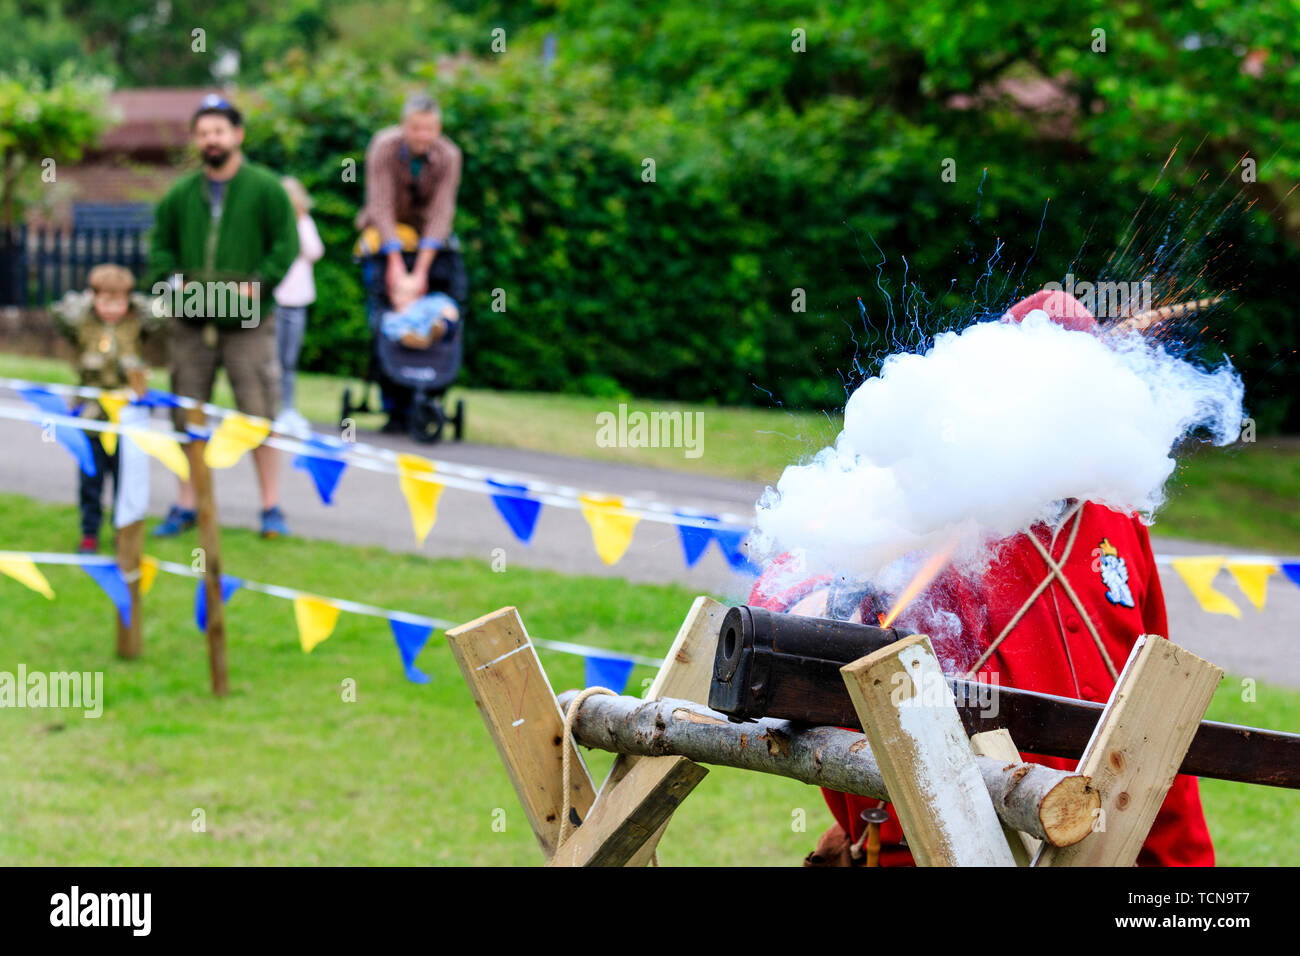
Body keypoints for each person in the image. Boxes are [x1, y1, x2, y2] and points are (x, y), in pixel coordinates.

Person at [754, 287, 1215, 867]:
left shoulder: (1120, 521)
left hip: (1105, 842)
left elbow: (1157, 710)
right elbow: (848, 676)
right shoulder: (928, 507)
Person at [147, 94, 299, 538]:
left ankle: (271, 508)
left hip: (248, 324)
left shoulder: (266, 189)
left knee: (258, 415)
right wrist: (175, 284)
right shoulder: (179, 194)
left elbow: (285, 247)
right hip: (190, 324)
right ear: (196, 140)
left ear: (237, 135)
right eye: (203, 132)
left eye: (219, 130)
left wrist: (254, 286)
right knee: (186, 414)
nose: (211, 139)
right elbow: (159, 247)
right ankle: (186, 505)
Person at [354, 93, 465, 432]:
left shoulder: (449, 156)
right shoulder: (384, 147)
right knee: (384, 309)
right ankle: (393, 401)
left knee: (445, 297)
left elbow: (442, 211)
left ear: (438, 128)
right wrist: (395, 263)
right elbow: (381, 203)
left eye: (429, 129)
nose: (422, 136)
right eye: (416, 128)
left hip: (429, 243)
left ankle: (428, 390)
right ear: (404, 126)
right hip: (385, 237)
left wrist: (420, 270)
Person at [51, 264, 160, 553]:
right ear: (94, 298)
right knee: (91, 480)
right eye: (105, 300)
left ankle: (122, 533)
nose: (112, 308)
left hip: (126, 418)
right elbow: (59, 313)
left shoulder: (136, 323)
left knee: (125, 480)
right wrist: (87, 300)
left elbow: (161, 314)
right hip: (91, 419)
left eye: (119, 301)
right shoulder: (83, 323)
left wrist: (136, 301)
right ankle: (89, 533)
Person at [271, 176, 324, 438]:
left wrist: (299, 225)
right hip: (275, 302)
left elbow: (314, 251)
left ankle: (288, 408)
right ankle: (272, 408)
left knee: (289, 361)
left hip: (297, 303)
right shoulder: (273, 227)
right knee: (273, 359)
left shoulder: (304, 224)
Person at [380, 285, 460, 349]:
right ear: (392, 295)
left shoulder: (423, 304)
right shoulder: (391, 316)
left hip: (431, 326)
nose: (405, 297)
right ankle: (420, 341)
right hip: (411, 333)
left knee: (440, 322)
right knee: (402, 333)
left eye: (410, 293)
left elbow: (443, 305)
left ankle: (438, 332)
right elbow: (389, 329)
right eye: (400, 292)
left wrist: (447, 310)